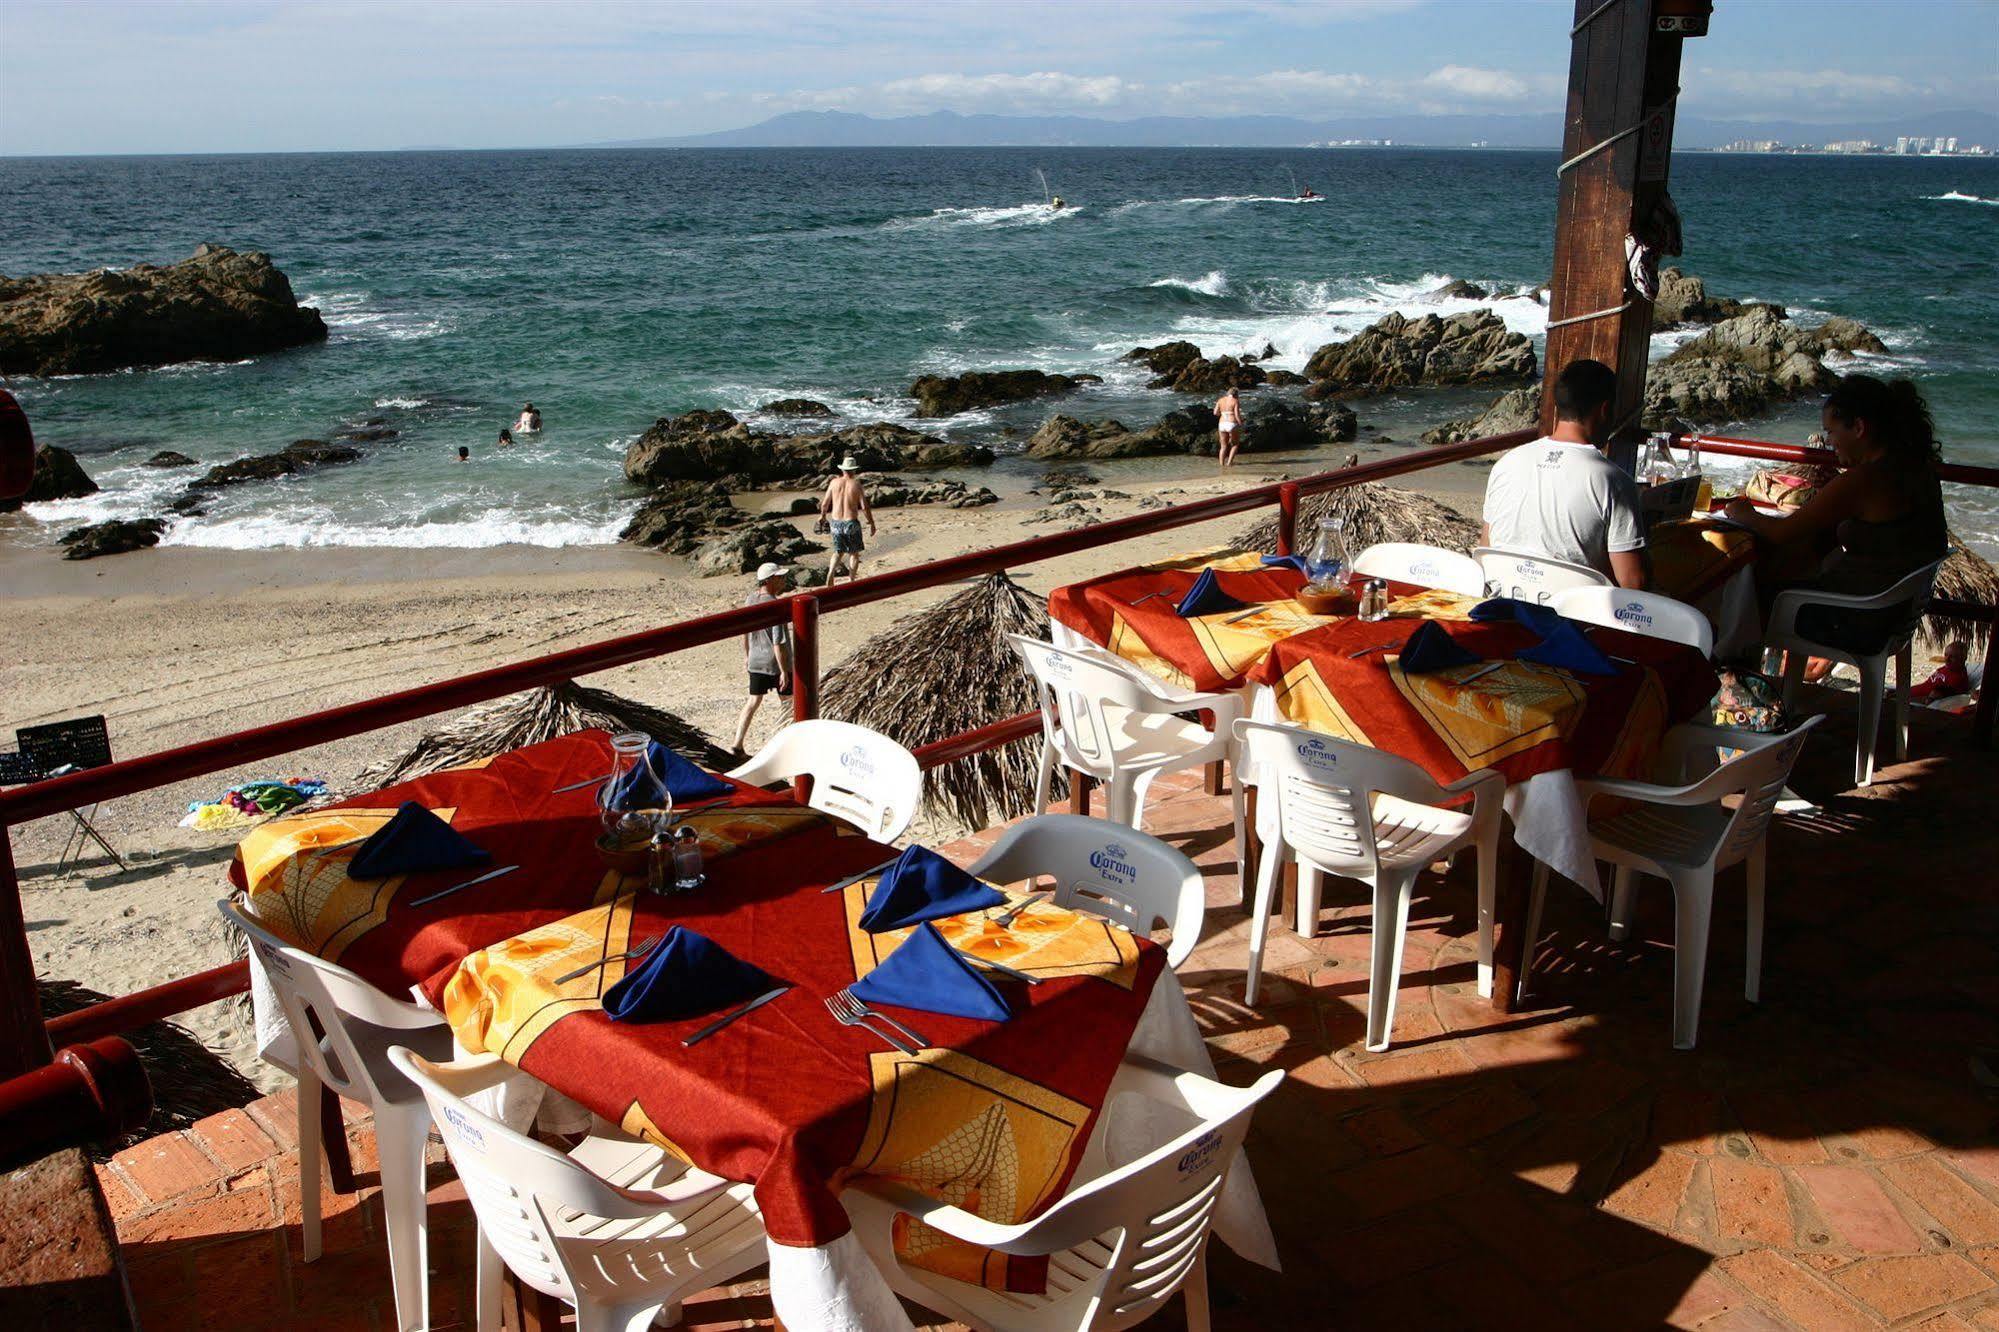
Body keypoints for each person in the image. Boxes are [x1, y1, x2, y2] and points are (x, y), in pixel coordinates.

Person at [1724, 374, 1948, 659]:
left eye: (1831, 431)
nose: (1830, 442)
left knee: (1740, 592)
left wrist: (1743, 512)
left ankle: (1734, 676)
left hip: (1857, 621)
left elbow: (1781, 533)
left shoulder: (1864, 481)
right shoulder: (1918, 469)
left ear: (1858, 427)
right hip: (1895, 615)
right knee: (1791, 563)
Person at [1480, 357, 1646, 589]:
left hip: (1501, 609)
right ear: (1605, 409)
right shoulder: (1613, 481)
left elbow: (1486, 548)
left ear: (1558, 406)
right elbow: (1632, 583)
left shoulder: (1506, 464)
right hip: (1576, 620)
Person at [732, 562, 794, 755]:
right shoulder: (776, 605)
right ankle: (786, 745)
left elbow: (745, 632)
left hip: (755, 660)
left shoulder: (750, 600)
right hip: (774, 663)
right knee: (788, 703)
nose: (783, 580)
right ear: (770, 580)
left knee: (753, 701)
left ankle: (737, 743)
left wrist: (747, 655)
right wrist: (784, 671)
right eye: (780, 577)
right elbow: (778, 643)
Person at [819, 455, 876, 585]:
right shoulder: (856, 484)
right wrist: (871, 522)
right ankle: (851, 579)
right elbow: (864, 507)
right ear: (854, 470)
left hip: (836, 522)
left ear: (843, 470)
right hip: (851, 522)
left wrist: (822, 516)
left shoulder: (834, 482)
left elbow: (825, 503)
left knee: (838, 551)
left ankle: (831, 572)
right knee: (854, 553)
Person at [1214, 385, 1243, 468]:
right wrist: (1241, 424)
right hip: (1232, 423)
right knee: (1235, 444)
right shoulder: (1235, 401)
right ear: (1236, 394)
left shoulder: (1220, 400)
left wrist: (1222, 414)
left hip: (1222, 423)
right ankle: (1229, 463)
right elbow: (1237, 415)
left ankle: (1221, 464)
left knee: (1223, 446)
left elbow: (1215, 413)